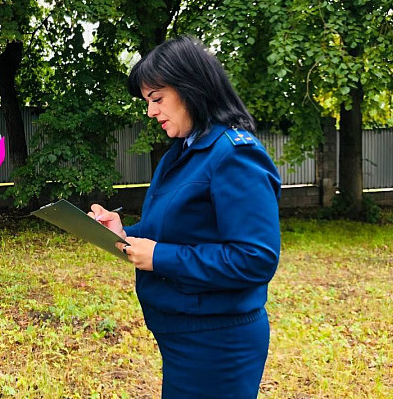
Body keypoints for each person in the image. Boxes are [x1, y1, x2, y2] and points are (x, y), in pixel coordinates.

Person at [90, 36, 281, 398]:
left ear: (192, 89)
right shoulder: (185, 150)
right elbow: (176, 227)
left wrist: (159, 256)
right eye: (148, 101)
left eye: (157, 99)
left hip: (217, 342)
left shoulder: (234, 155)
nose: (150, 112)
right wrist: (123, 231)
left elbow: (255, 258)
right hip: (184, 335)